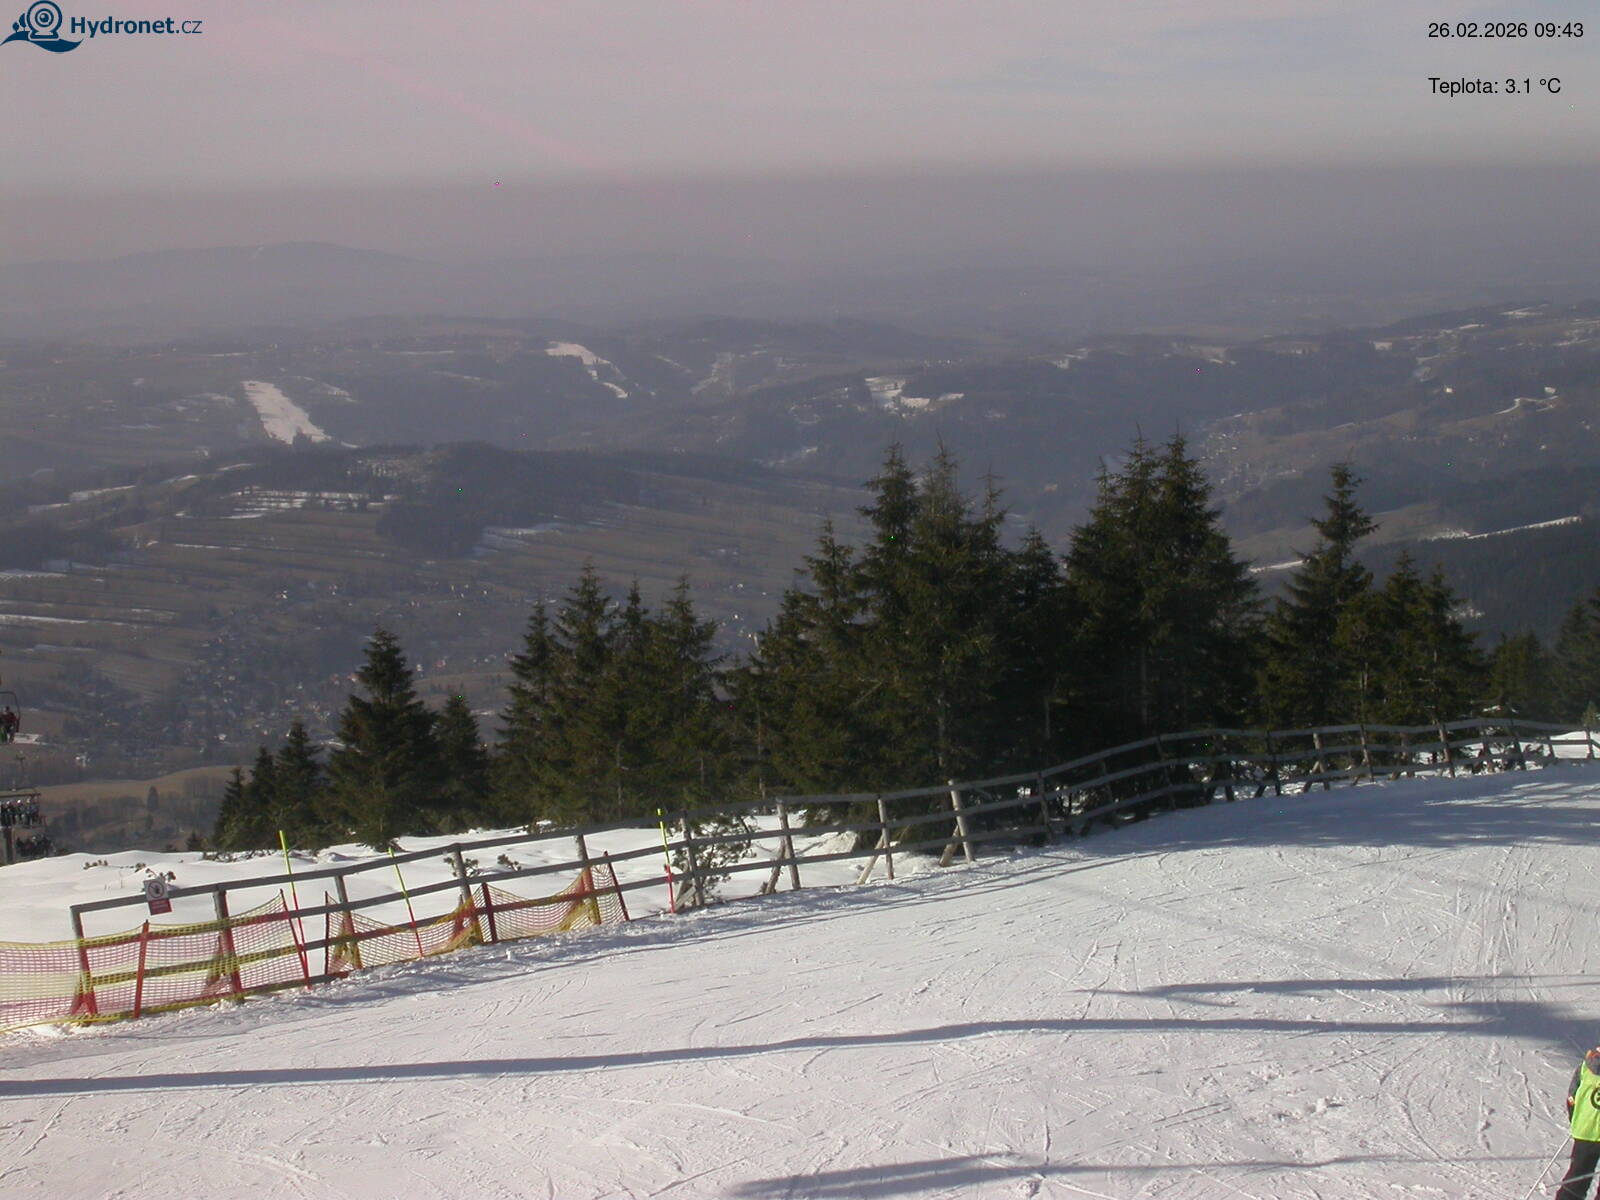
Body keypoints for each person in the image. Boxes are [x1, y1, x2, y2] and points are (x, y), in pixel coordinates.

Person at [1557, 1047, 1600, 1200]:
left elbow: (1571, 1098)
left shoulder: (1585, 1067)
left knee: (1578, 1176)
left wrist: (1577, 1120)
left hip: (1585, 1131)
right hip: (1586, 1131)